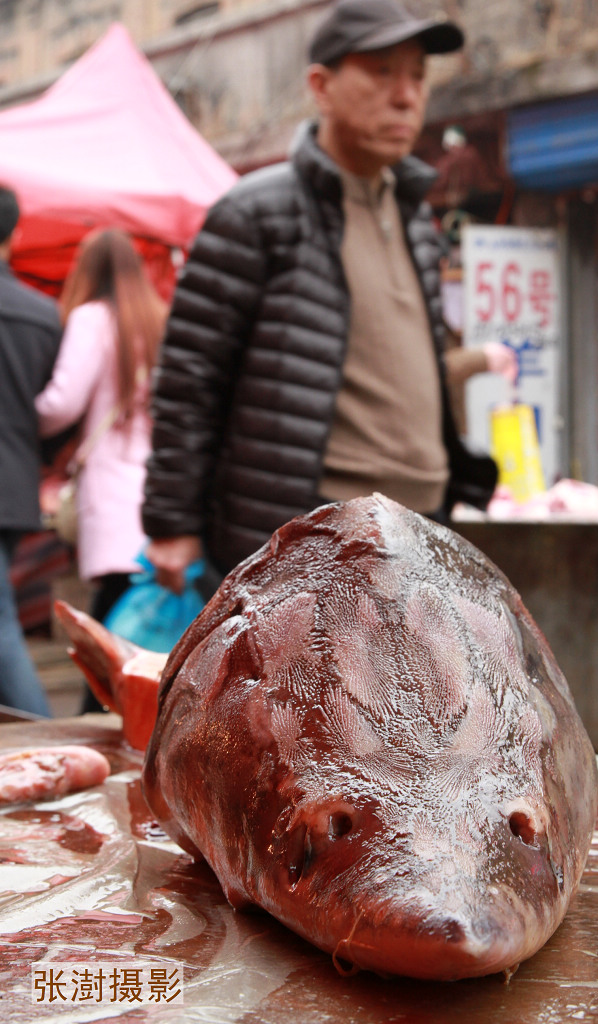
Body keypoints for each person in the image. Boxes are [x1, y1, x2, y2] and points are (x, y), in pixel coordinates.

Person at [142, 0, 498, 595]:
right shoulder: (257, 211)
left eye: (416, 75)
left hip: (423, 526)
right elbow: (190, 378)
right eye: (382, 72)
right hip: (311, 529)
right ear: (321, 86)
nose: (407, 95)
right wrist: (171, 522)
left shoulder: (414, 217)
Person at [36, 229, 167, 710]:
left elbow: (61, 403)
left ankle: (103, 715)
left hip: (112, 484)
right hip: (155, 482)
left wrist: (21, 410)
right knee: (132, 603)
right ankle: (120, 710)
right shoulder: (158, 318)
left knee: (111, 614)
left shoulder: (93, 319)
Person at [0, 185, 62, 717]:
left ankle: (42, 732)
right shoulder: (42, 313)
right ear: (15, 234)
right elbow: (56, 409)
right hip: (15, 484)